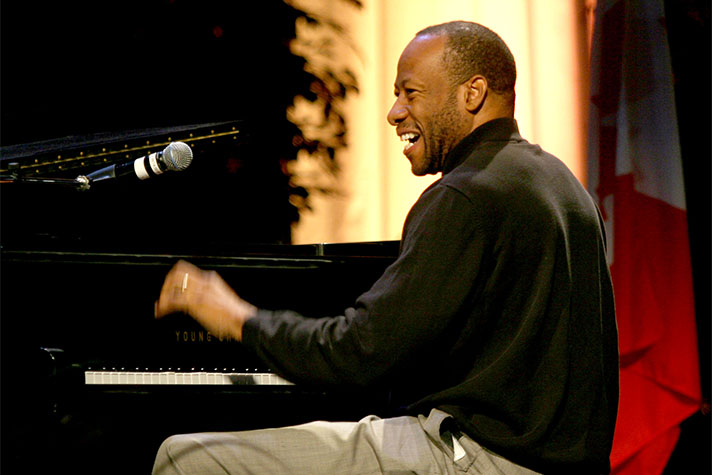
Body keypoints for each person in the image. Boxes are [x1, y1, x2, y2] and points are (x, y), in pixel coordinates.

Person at [152, 21, 619, 474]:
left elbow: (358, 354)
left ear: (472, 94)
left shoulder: (466, 195)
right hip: (552, 462)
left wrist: (236, 317)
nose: (394, 112)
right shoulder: (563, 185)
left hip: (478, 459)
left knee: (187, 458)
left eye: (410, 93)